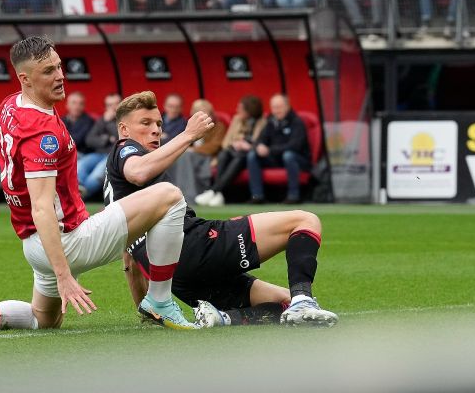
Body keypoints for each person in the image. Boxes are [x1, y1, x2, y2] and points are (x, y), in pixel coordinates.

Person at [0, 36, 214, 334]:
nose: (60, 76)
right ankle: (160, 300)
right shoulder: (44, 134)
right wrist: (64, 275)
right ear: (25, 79)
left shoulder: (11, 104)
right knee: (170, 196)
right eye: (48, 71)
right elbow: (41, 206)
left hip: (34, 247)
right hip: (66, 241)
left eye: (59, 66)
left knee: (44, 321)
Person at [103, 91, 338, 327]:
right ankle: (304, 302)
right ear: (124, 130)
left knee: (284, 301)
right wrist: (189, 134)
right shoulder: (127, 149)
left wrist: (149, 311)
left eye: (158, 124)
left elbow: (130, 262)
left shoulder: (114, 188)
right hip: (194, 248)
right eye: (146, 123)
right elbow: (138, 171)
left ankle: (224, 318)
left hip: (178, 281)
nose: (156, 130)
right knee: (305, 220)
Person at [196, 95, 266, 207]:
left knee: (239, 158)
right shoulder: (237, 119)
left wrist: (246, 145)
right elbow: (225, 143)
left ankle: (213, 191)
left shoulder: (262, 122)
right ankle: (218, 194)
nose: (237, 110)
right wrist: (235, 143)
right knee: (223, 154)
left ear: (249, 111)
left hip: (249, 156)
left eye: (240, 108)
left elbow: (260, 143)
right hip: (232, 152)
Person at [247, 94, 310, 204]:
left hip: (298, 159)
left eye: (279, 107)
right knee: (252, 155)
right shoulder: (270, 121)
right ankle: (257, 196)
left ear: (287, 106)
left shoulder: (297, 122)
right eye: (274, 107)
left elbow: (295, 146)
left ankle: (293, 196)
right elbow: (260, 139)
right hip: (276, 158)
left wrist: (270, 150)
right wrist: (259, 146)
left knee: (288, 155)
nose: (276, 111)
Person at [168, 99, 226, 203]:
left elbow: (215, 146)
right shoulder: (189, 126)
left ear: (210, 113)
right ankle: (171, 195)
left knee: (185, 156)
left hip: (208, 157)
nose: (201, 114)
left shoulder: (218, 126)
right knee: (174, 156)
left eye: (204, 111)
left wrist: (193, 150)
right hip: (189, 156)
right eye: (197, 111)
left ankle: (187, 197)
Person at [78, 92, 120, 198]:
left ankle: (82, 195)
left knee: (97, 174)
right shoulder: (103, 120)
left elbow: (118, 139)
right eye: (109, 105)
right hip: (99, 153)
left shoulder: (126, 119)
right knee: (81, 165)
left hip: (113, 155)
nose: (113, 108)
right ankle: (78, 191)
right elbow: (90, 139)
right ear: (105, 107)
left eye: (116, 104)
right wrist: (106, 138)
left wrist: (106, 124)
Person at [61, 91, 94, 157]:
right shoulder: (61, 120)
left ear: (84, 106)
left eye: (80, 104)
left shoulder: (89, 121)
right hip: (64, 153)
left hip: (83, 154)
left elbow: (77, 141)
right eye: (74, 103)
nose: (77, 106)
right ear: (67, 105)